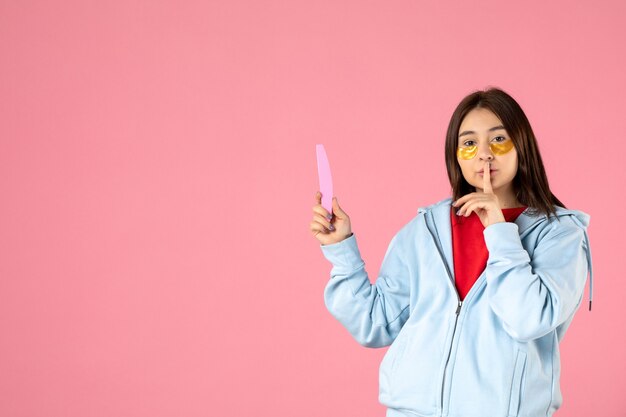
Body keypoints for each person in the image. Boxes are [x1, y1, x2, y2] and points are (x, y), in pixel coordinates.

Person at [309, 87, 593, 417]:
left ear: (522, 145)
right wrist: (341, 251)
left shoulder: (560, 234)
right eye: (469, 143)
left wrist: (500, 231)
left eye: (498, 139)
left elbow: (528, 319)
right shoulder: (426, 229)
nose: (485, 153)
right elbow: (375, 323)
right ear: (456, 155)